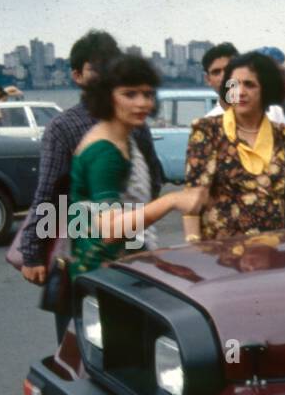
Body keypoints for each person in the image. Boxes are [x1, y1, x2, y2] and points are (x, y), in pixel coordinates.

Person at [17, 31, 164, 309]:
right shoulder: (63, 127)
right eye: (96, 69)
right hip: (89, 241)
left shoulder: (135, 122)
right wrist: (33, 253)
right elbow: (49, 193)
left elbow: (151, 178)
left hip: (131, 239)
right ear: (77, 76)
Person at [68, 54, 205, 284]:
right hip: (105, 278)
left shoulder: (121, 136)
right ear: (107, 97)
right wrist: (171, 201)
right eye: (129, 94)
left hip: (116, 267)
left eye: (147, 94)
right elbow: (110, 230)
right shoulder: (105, 152)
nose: (142, 103)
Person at [182, 51, 285, 242]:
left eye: (250, 85)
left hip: (273, 252)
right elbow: (192, 200)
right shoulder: (207, 131)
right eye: (234, 85)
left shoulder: (283, 136)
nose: (240, 92)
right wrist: (194, 244)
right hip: (221, 256)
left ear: (267, 89)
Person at [202, 42, 285, 124]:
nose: (224, 76)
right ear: (208, 79)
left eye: (228, 69)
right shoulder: (208, 125)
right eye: (216, 72)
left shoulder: (273, 111)